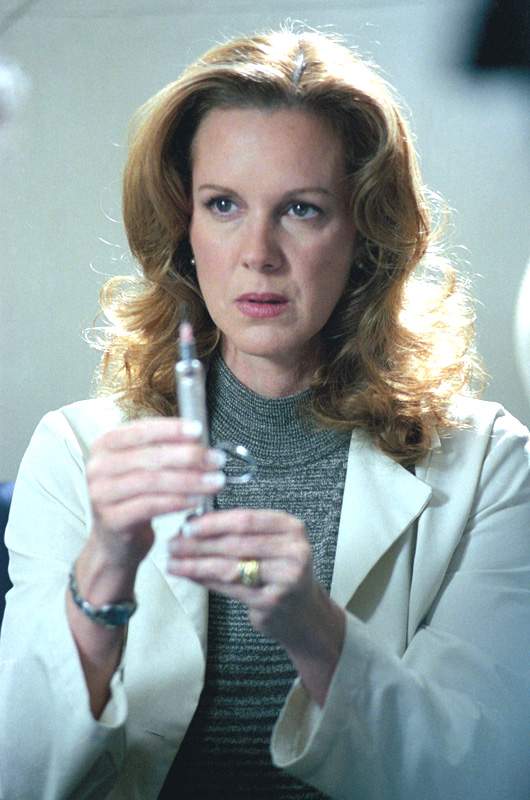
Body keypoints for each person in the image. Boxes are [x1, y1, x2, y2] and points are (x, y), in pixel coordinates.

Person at [0, 27, 529, 800]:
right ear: (184, 227)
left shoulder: (488, 463)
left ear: (367, 234)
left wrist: (315, 628)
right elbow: (17, 777)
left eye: (302, 210)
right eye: (223, 204)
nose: (257, 253)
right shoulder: (76, 451)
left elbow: (485, 775)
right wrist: (105, 567)